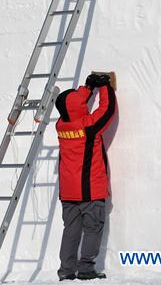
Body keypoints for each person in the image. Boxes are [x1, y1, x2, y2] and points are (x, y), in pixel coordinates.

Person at [55, 73, 117, 281]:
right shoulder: (88, 126)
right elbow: (106, 111)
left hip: (68, 191)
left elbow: (72, 105)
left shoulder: (61, 125)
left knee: (70, 231)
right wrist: (105, 87)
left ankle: (66, 270)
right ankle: (86, 269)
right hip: (90, 190)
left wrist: (89, 87)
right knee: (93, 229)